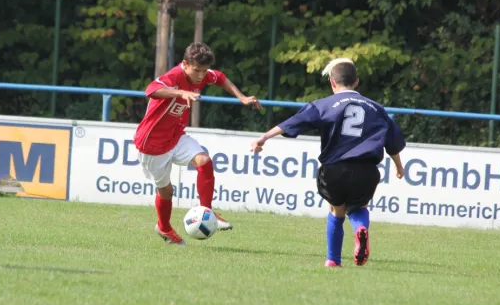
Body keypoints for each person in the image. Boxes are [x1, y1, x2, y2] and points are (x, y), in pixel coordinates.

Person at [250, 58, 405, 267]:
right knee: (359, 206)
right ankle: (361, 229)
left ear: (332, 82)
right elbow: (392, 143)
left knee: (336, 210)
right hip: (366, 170)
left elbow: (291, 123)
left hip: (334, 170)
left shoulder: (323, 104)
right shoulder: (377, 109)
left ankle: (333, 259)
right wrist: (399, 166)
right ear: (356, 82)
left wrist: (264, 137)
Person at [134, 42, 262, 246]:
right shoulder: (175, 76)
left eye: (203, 71)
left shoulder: (201, 74)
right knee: (166, 191)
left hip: (175, 136)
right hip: (152, 143)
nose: (201, 76)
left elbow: (219, 77)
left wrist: (242, 97)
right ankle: (164, 228)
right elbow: (151, 89)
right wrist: (180, 93)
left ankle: (207, 212)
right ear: (185, 64)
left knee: (204, 161)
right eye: (197, 70)